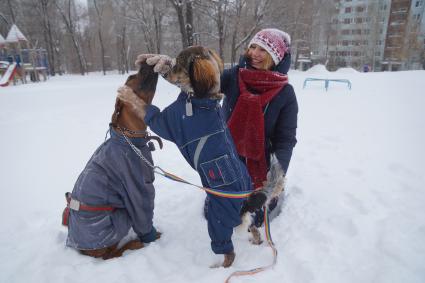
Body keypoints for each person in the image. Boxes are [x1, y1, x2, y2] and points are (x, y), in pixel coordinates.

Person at [117, 46, 254, 267]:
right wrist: (165, 68)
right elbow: (192, 82)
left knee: (219, 217)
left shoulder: (188, 117)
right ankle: (249, 226)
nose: (176, 75)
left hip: (223, 180)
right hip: (238, 173)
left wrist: (133, 100)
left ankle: (225, 255)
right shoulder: (207, 100)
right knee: (238, 203)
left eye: (179, 70)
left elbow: (158, 122)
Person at [220, 28, 298, 228]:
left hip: (261, 168)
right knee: (220, 214)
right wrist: (173, 69)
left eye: (263, 50)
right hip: (227, 159)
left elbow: (285, 141)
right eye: (252, 47)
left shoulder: (285, 93)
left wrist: (269, 187)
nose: (254, 53)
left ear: (275, 56)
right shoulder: (233, 77)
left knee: (251, 220)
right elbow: (200, 83)